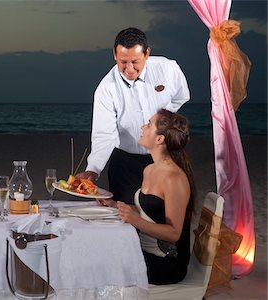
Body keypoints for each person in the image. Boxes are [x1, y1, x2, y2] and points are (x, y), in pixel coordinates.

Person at [77, 27, 190, 204]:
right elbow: (105, 134)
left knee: (169, 212)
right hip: (126, 162)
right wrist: (93, 170)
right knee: (125, 216)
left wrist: (162, 122)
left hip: (165, 156)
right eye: (123, 62)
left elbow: (182, 96)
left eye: (135, 61)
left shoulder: (168, 69)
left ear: (147, 54)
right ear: (114, 55)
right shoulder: (106, 88)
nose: (129, 69)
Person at [99, 109, 196, 285]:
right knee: (99, 250)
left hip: (166, 263)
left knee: (103, 263)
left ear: (160, 139)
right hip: (142, 251)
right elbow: (149, 211)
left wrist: (133, 220)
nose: (143, 127)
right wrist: (114, 205)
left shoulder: (175, 178)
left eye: (149, 124)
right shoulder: (149, 169)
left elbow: (174, 234)